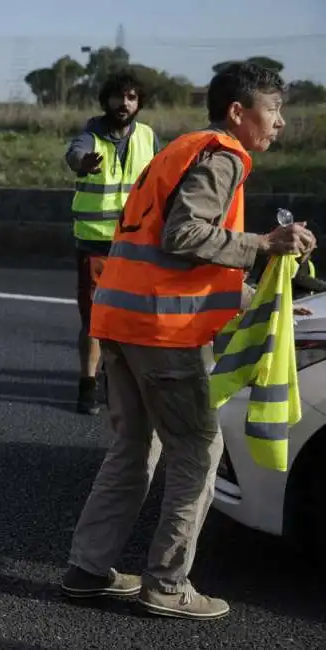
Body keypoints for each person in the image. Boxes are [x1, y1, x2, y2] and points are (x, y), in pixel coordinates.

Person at [59, 62, 317, 620]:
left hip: (123, 323)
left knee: (132, 452)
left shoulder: (181, 150)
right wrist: (266, 244)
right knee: (199, 454)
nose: (279, 125)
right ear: (238, 112)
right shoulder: (223, 156)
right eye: (273, 112)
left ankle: (87, 569)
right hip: (162, 333)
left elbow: (168, 252)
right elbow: (183, 235)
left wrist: (256, 298)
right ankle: (168, 584)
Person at [65, 72, 161, 415]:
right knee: (94, 320)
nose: (125, 104)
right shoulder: (90, 136)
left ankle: (119, 378)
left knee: (133, 319)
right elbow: (75, 155)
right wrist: (82, 163)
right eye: (119, 97)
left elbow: (167, 174)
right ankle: (87, 384)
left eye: (132, 98)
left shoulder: (148, 137)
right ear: (106, 100)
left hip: (137, 244)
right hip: (95, 242)